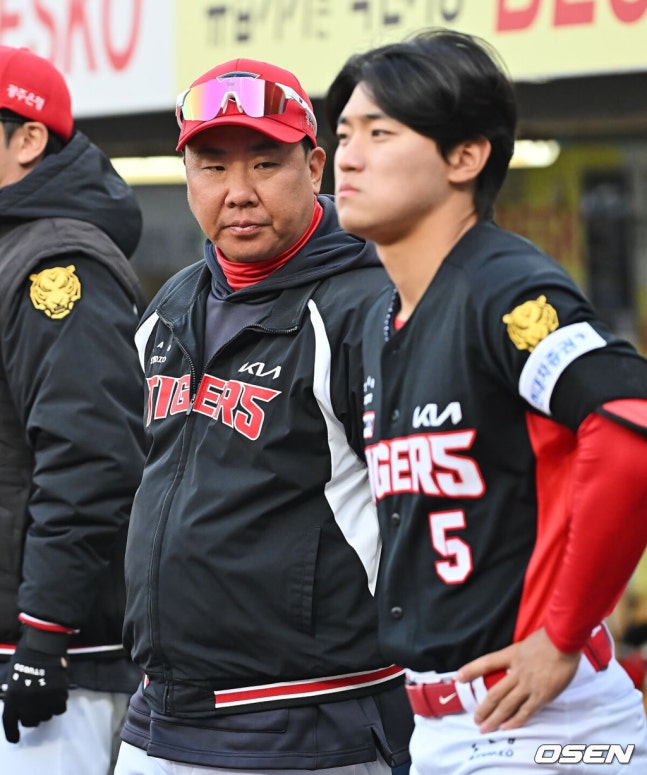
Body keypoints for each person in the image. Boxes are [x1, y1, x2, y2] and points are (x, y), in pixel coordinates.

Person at [326, 27, 647, 774]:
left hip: (544, 723)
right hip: (442, 722)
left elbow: (630, 428)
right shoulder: (380, 316)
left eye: (380, 132)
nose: (348, 156)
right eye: (343, 134)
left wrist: (562, 631)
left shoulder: (502, 286)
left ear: (465, 156)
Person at [114, 57, 413, 775]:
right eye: (213, 166)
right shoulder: (170, 306)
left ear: (314, 166)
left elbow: (432, 507)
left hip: (309, 720)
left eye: (265, 163)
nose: (238, 191)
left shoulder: (367, 307)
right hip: (161, 713)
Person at [0, 46, 147, 773]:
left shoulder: (57, 262)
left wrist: (44, 632)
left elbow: (91, 457)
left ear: (28, 138)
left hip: (54, 664)